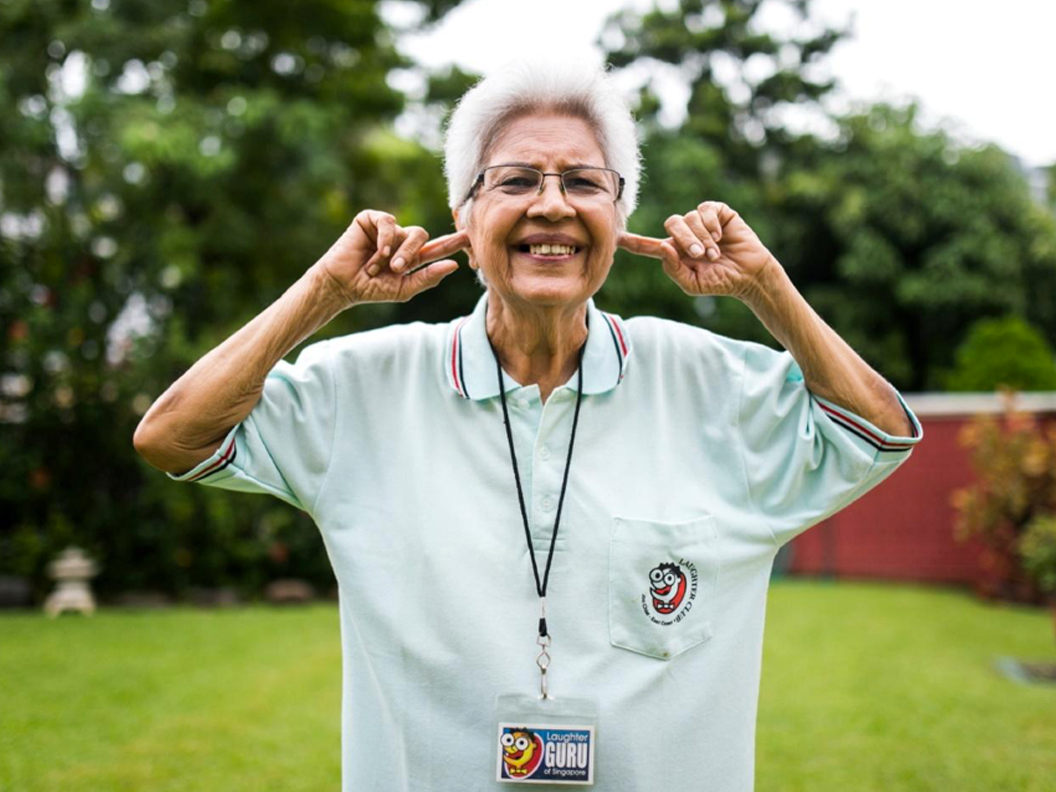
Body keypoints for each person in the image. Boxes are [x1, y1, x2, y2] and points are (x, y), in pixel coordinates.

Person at [134, 57, 923, 791]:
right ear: (464, 220)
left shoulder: (713, 384)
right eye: (515, 180)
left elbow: (878, 432)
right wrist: (322, 295)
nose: (553, 204)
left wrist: (766, 288)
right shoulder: (367, 391)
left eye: (584, 181)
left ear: (620, 219)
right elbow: (173, 435)